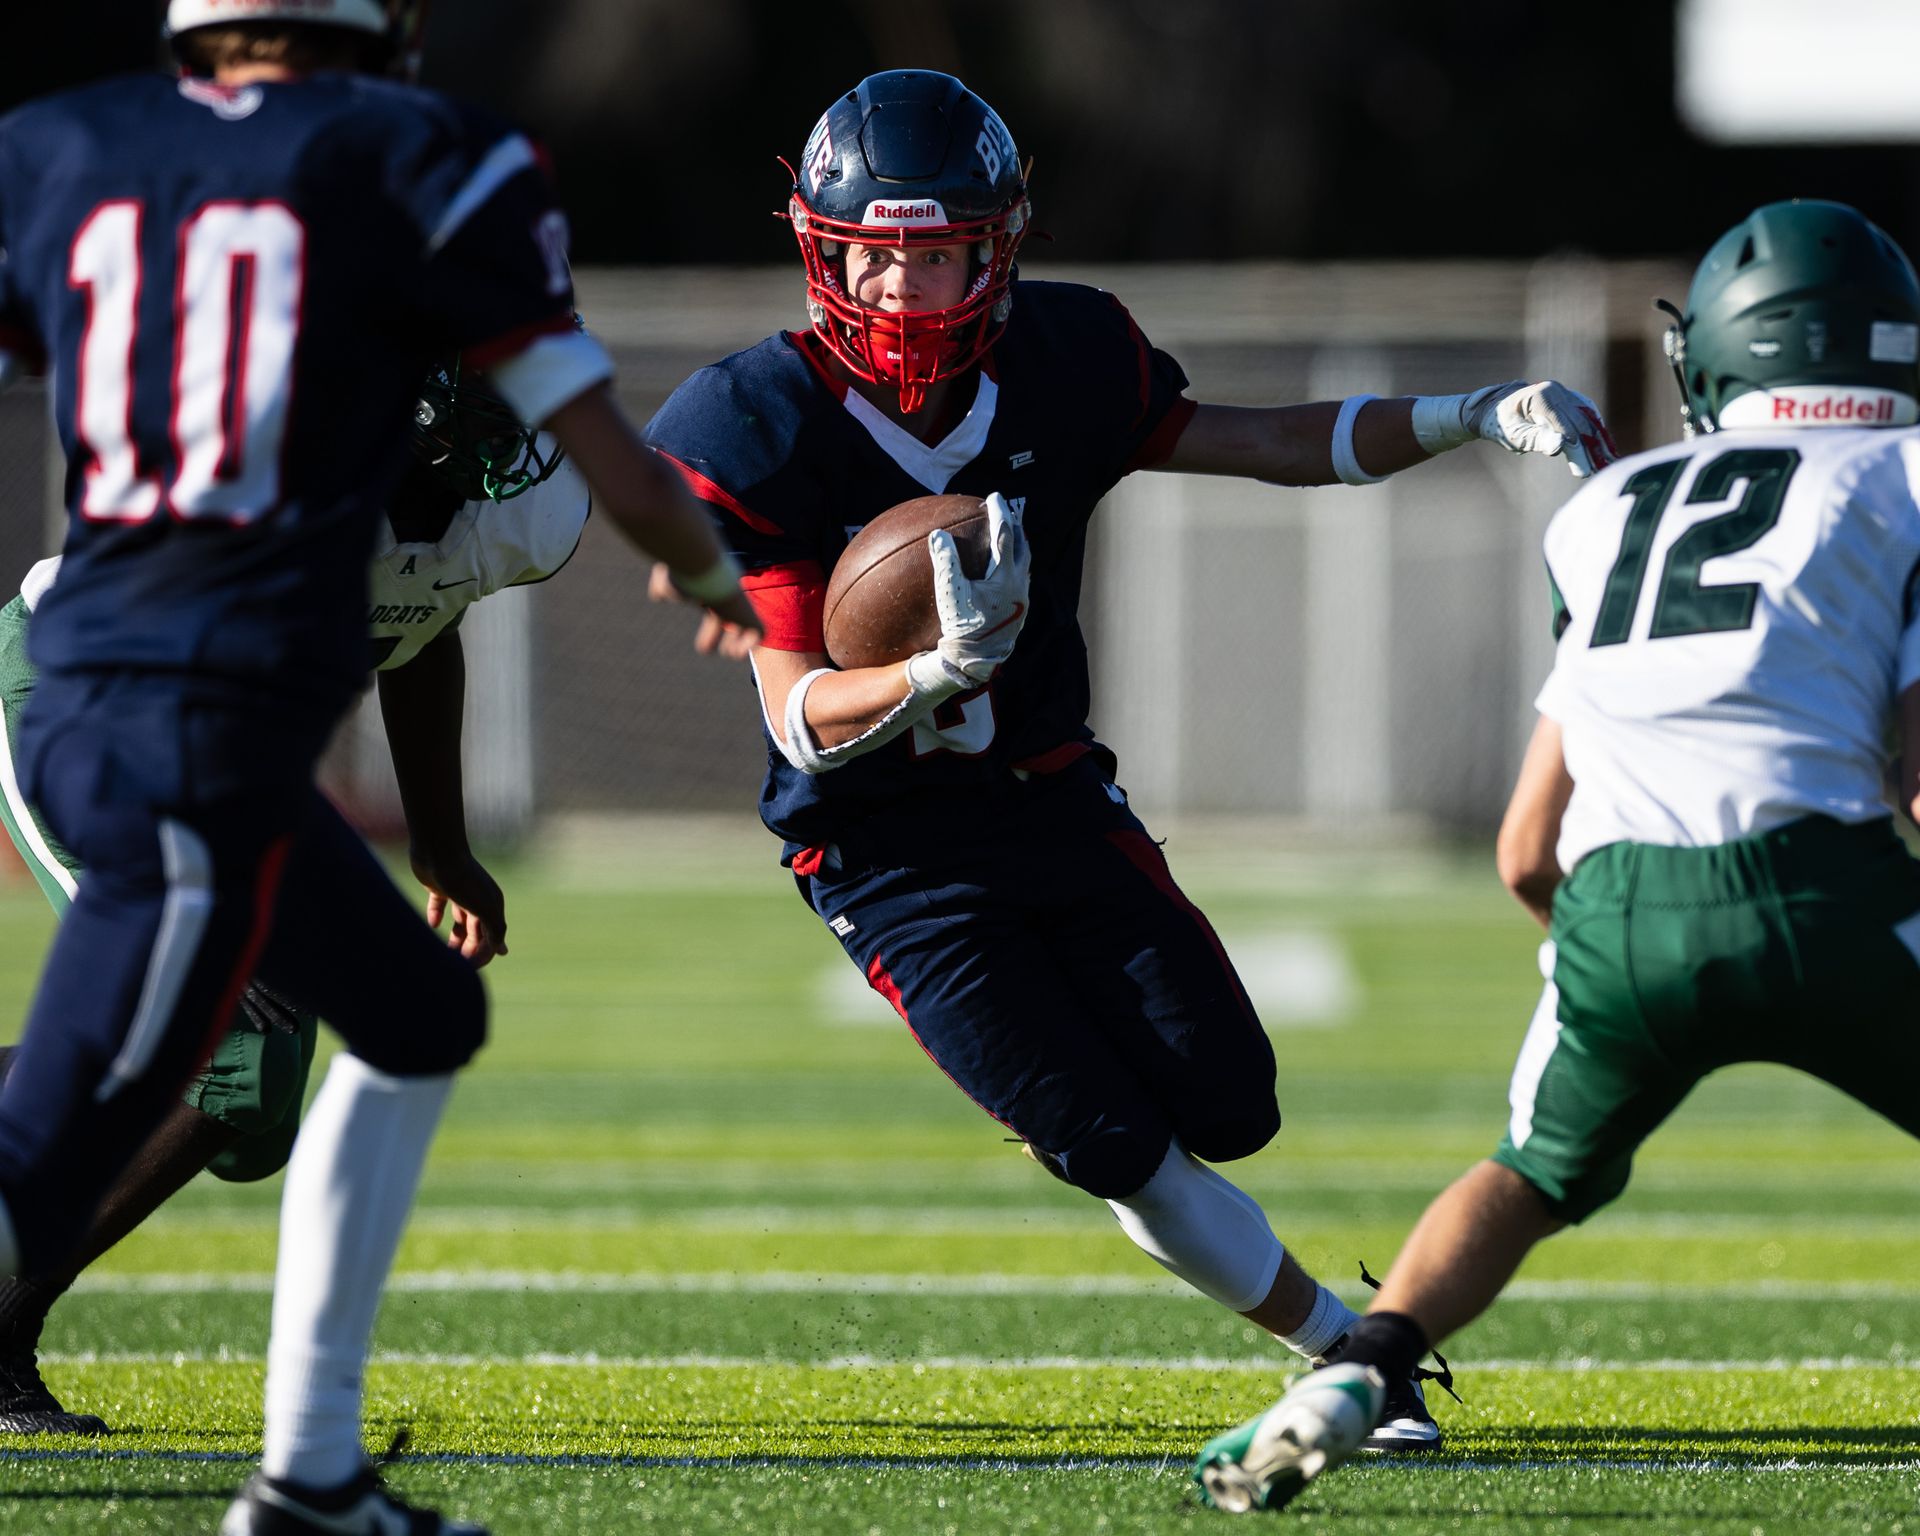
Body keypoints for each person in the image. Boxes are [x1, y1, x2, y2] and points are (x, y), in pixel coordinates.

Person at [646, 68, 1616, 1453]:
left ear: (999, 248)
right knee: (1107, 1140)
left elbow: (1270, 441)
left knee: (1235, 1098)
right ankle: (1346, 1354)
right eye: (879, 253)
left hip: (1051, 798)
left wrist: (1468, 414)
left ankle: (1063, 1082)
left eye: (940, 254)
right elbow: (796, 713)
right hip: (890, 853)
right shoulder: (756, 422)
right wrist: (932, 672)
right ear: (824, 248)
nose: (908, 288)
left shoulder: (1070, 354)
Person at [0, 4, 759, 1533]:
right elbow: (599, 443)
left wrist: (439, 843)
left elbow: (416, 622)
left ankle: (314, 1478)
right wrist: (706, 567)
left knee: (412, 1016)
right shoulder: (422, 162)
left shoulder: (68, 146)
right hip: (132, 705)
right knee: (176, 1070)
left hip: (203, 726)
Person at [1193, 197, 1920, 1513]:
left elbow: (1527, 846)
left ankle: (1368, 1362)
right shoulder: (1905, 472)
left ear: (1716, 357)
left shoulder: (1616, 503)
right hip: (1826, 882)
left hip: (1620, 901)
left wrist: (1603, 955)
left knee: (1528, 1174)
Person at [0, 361, 588, 1436]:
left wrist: (442, 846)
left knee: (247, 1107)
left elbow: (423, 625)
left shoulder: (517, 503)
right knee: (237, 1052)